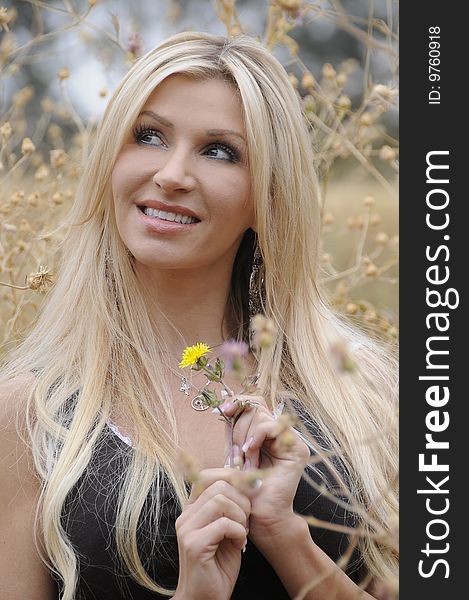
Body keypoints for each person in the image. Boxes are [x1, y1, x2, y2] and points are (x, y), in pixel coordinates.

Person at [0, 31, 398, 600]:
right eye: (149, 136)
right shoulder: (27, 418)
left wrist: (288, 539)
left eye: (219, 151)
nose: (172, 174)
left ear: (267, 195)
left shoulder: (367, 396)